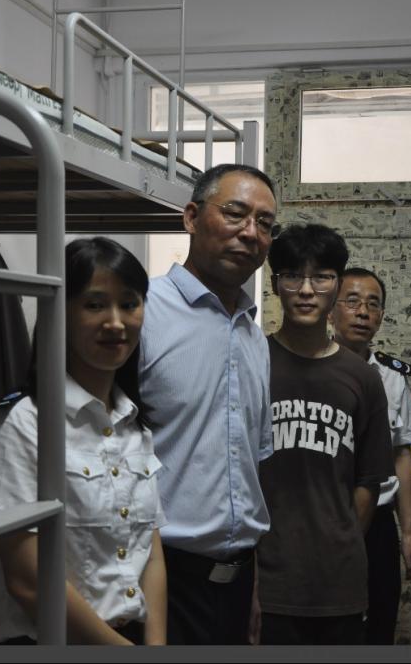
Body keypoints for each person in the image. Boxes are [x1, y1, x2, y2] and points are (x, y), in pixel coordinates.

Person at [0, 237, 166, 645]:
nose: (116, 322)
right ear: (60, 312)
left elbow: (150, 553)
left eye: (129, 304)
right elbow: (27, 581)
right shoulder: (25, 423)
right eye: (94, 305)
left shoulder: (133, 423)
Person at [137, 164, 279, 645]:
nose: (251, 233)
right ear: (192, 217)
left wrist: (252, 581)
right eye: (235, 213)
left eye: (264, 223)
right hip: (161, 574)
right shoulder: (143, 313)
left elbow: (251, 469)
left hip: (236, 579)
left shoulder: (253, 336)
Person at [258, 224, 394, 645]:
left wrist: (340, 542)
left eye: (321, 277)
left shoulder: (362, 378)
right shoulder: (253, 361)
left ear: (336, 287)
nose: (306, 290)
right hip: (266, 579)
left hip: (339, 582)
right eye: (292, 276)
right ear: (275, 285)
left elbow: (369, 480)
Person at [329, 266, 411, 644]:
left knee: (380, 622)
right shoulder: (308, 368)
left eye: (373, 304)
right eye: (352, 301)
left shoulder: (392, 377)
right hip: (325, 518)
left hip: (379, 525)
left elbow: (402, 456)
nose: (363, 312)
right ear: (331, 309)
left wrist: (409, 532)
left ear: (382, 316)